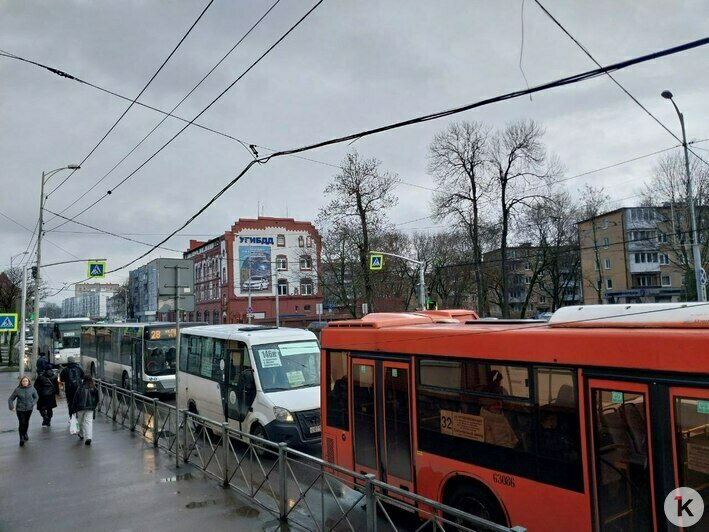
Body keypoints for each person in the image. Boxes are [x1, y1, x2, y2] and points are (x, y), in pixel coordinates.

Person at [8, 375, 39, 446]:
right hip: (20, 409)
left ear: (28, 382)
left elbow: (36, 397)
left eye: (26, 381)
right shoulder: (17, 390)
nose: (25, 382)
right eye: (23, 381)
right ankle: (21, 438)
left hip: (29, 409)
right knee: (21, 423)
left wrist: (32, 403)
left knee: (26, 422)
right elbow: (10, 399)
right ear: (21, 382)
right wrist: (11, 407)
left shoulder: (32, 388)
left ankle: (25, 433)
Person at [71, 376, 99, 445]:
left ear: (84, 380)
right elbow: (97, 399)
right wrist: (94, 406)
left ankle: (81, 434)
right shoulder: (94, 388)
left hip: (80, 408)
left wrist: (73, 408)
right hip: (90, 408)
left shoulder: (80, 387)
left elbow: (75, 398)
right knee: (88, 423)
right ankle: (89, 437)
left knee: (79, 422)